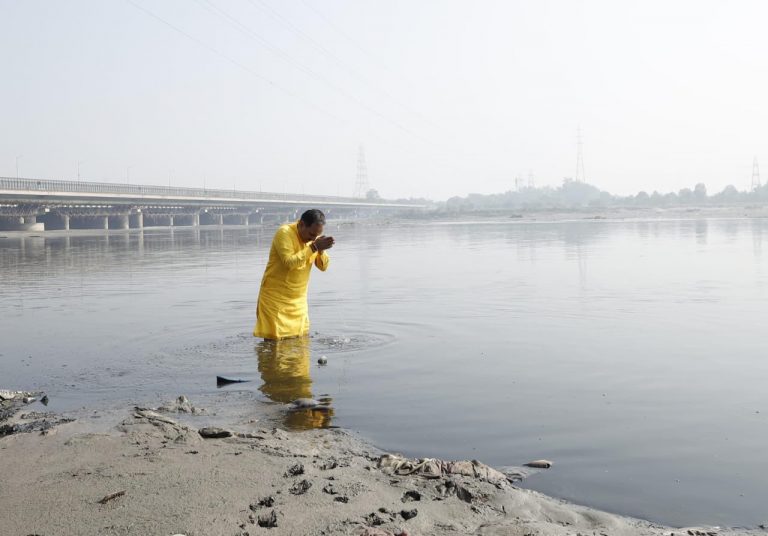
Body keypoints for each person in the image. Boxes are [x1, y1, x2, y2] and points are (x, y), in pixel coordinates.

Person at [253, 209, 334, 340]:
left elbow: (323, 267)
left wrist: (321, 250)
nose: (313, 238)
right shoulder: (284, 233)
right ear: (302, 224)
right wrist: (314, 247)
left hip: (298, 302)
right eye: (311, 234)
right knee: (273, 346)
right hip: (275, 301)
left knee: (300, 346)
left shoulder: (314, 240)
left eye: (317, 236)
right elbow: (289, 263)